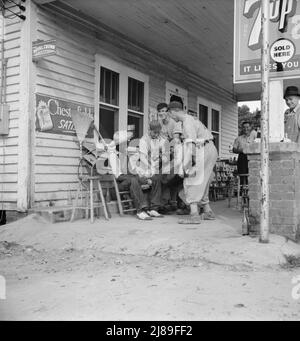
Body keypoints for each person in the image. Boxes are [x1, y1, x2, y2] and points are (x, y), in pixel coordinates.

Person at [168, 101, 218, 224]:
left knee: (190, 181)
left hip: (203, 149)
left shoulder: (187, 122)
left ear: (173, 111)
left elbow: (190, 144)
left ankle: (194, 215)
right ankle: (207, 211)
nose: (171, 118)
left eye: (170, 114)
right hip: (210, 148)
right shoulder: (191, 119)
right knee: (203, 181)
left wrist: (185, 166)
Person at [137, 120, 166, 217]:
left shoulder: (159, 138)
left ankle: (154, 208)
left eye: (158, 133)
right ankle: (149, 208)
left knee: (158, 179)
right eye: (154, 132)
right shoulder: (143, 140)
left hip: (155, 166)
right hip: (145, 167)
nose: (156, 135)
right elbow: (143, 157)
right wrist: (151, 168)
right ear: (149, 130)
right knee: (152, 179)